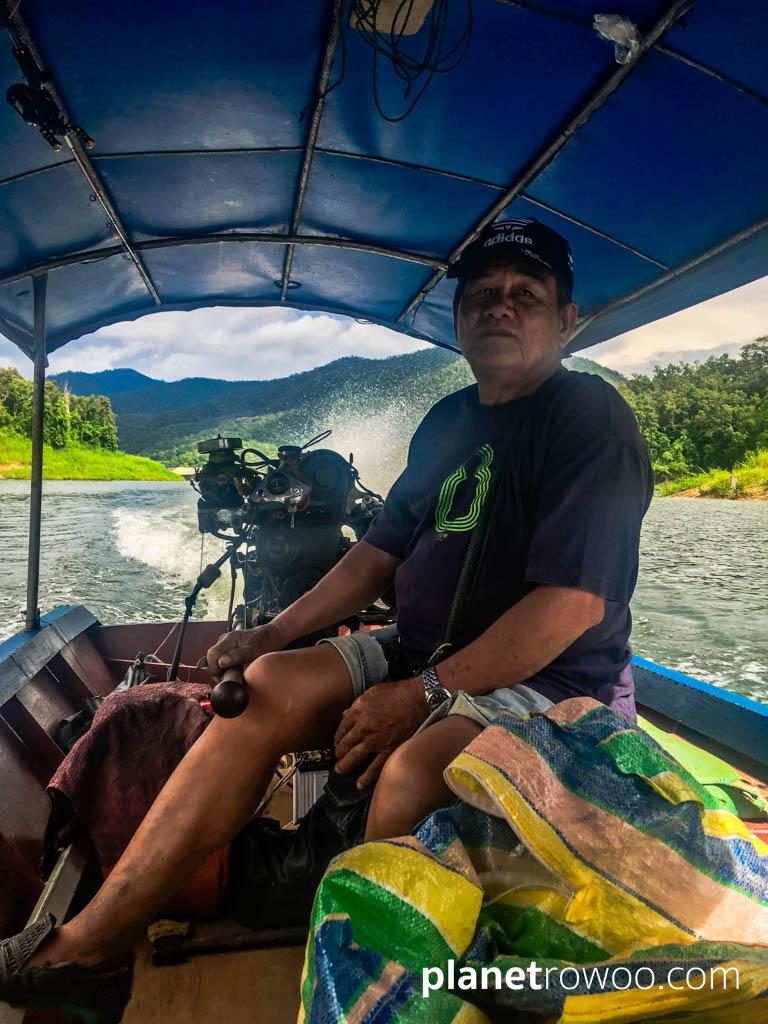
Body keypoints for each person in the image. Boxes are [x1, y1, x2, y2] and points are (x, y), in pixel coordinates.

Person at [0, 218, 652, 1018]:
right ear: (457, 319)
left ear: (567, 320)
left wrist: (424, 694)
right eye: (482, 293)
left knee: (411, 772)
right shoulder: (448, 422)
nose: (500, 307)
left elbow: (572, 605)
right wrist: (272, 634)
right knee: (268, 684)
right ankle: (95, 945)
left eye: (527, 294)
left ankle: (366, 994)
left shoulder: (589, 419)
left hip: (547, 683)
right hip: (423, 650)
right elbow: (376, 554)